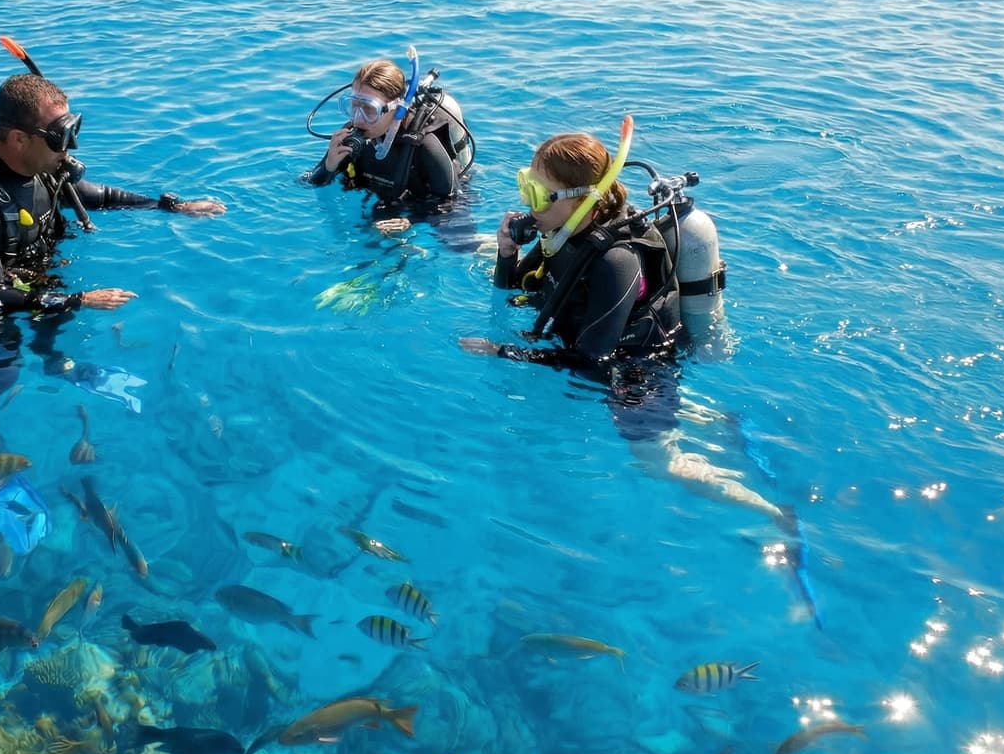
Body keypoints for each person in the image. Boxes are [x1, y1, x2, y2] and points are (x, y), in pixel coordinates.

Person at [460, 131, 801, 543]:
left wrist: (504, 352)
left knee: (659, 463)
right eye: (526, 186)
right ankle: (714, 420)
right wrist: (506, 252)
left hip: (638, 370)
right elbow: (517, 291)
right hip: (594, 351)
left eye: (538, 193)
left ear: (580, 200)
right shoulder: (559, 233)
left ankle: (772, 513)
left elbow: (592, 360)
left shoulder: (615, 260)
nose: (529, 203)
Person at [0, 73, 225, 443]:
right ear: (19, 139)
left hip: (23, 276)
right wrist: (78, 299)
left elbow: (103, 196)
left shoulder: (42, 168)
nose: (71, 147)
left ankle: (56, 365)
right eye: (59, 136)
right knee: (6, 364)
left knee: (56, 312)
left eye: (71, 130)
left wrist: (172, 207)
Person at [306, 55, 473, 234]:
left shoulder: (424, 145)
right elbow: (309, 183)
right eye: (354, 106)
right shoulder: (349, 137)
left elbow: (452, 205)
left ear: (398, 109)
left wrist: (411, 221)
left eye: (370, 110)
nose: (359, 119)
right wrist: (329, 166)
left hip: (420, 205)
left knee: (461, 245)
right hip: (385, 205)